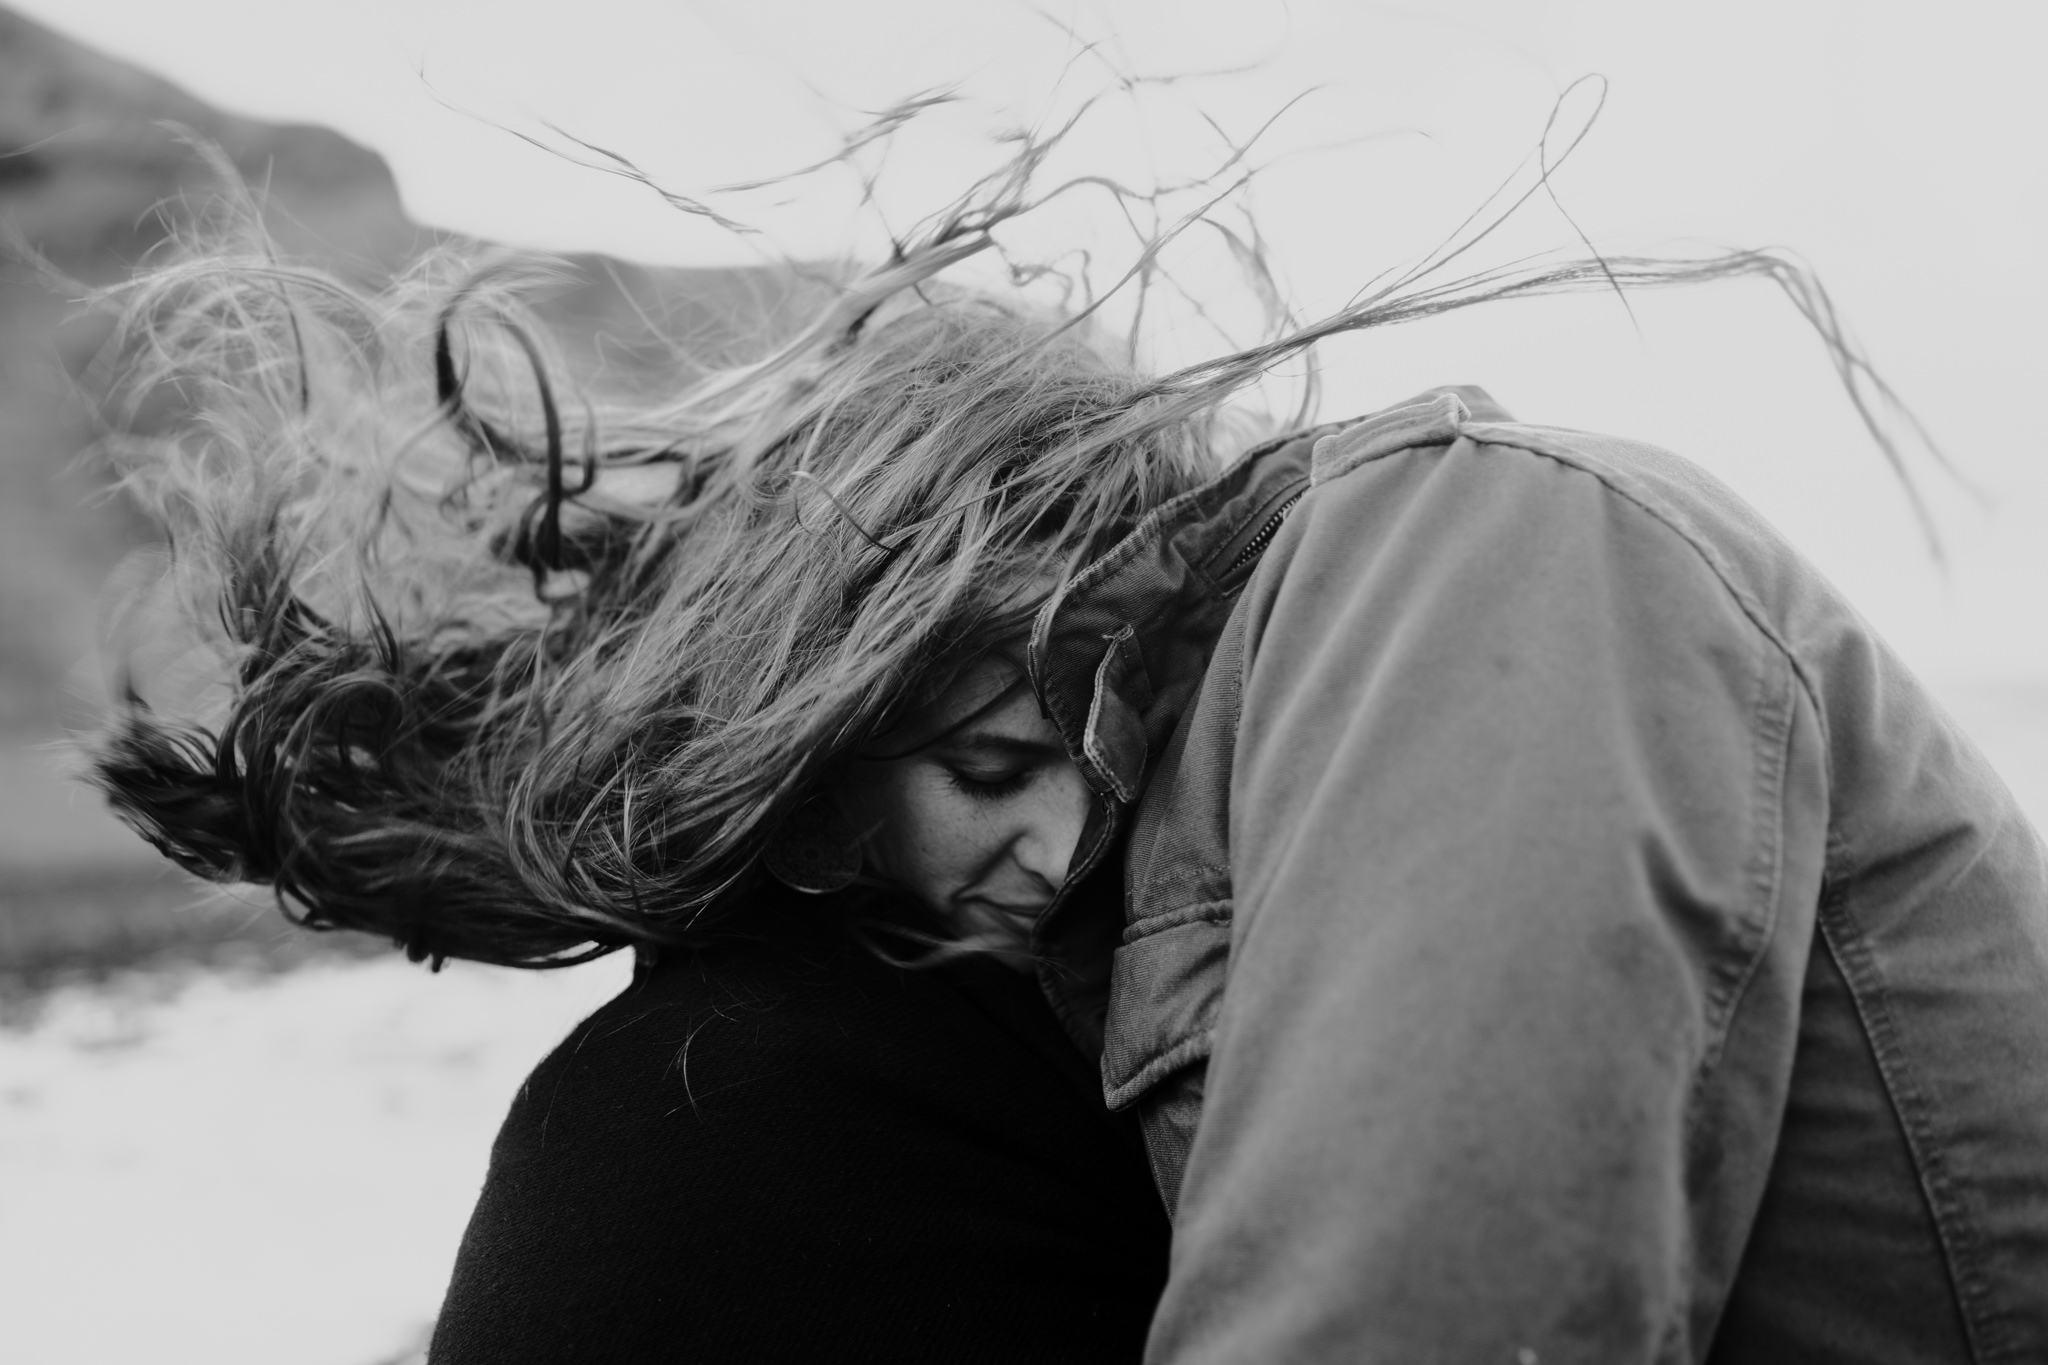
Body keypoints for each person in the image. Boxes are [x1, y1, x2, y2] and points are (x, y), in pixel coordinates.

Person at [87, 117, 2048, 1364]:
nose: (963, 884)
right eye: (865, 875)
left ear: (970, 569)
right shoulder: (1196, 774)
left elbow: (1414, 1311)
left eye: (938, 773)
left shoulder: (1457, 547)